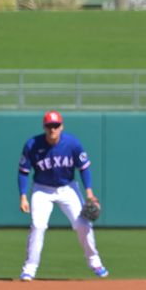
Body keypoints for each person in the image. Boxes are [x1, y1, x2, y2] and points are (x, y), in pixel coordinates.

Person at [17, 110, 109, 280]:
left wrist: (89, 192)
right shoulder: (32, 145)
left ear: (62, 126)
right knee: (38, 226)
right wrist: (23, 196)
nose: (53, 129)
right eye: (49, 126)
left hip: (67, 188)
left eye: (56, 125)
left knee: (82, 224)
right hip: (42, 189)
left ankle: (94, 261)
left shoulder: (72, 144)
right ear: (44, 127)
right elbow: (23, 172)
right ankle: (29, 268)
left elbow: (84, 168)